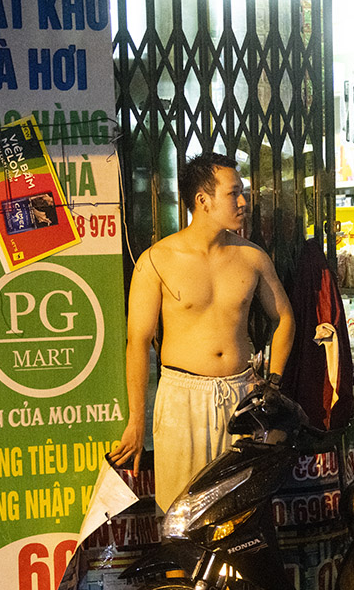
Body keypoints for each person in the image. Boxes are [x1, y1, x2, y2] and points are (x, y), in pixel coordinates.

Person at [109, 153, 295, 509]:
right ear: (203, 200)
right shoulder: (156, 261)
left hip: (241, 395)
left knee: (240, 509)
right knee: (181, 511)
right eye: (234, 193)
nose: (243, 202)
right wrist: (136, 422)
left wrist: (272, 383)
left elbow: (285, 317)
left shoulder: (252, 257)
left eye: (243, 193)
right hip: (182, 398)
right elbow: (138, 343)